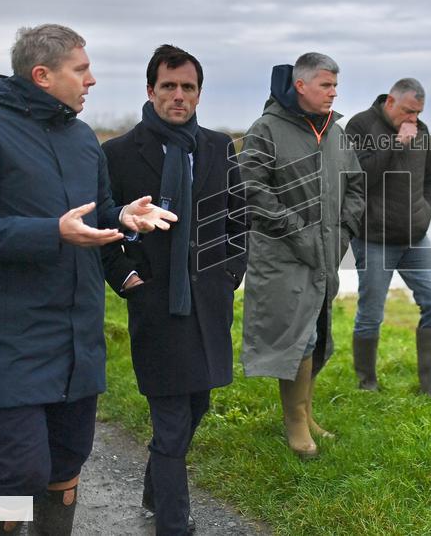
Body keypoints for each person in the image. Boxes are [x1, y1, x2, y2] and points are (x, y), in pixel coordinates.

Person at [0, 24, 176, 536]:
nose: (92, 80)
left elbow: (96, 212)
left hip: (77, 330)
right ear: (42, 75)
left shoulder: (81, 137)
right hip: (9, 330)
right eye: (81, 69)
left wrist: (123, 217)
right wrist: (51, 233)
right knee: (22, 469)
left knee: (66, 463)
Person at [101, 45, 247, 535]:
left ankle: (152, 485)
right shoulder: (119, 153)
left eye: (188, 87)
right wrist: (125, 279)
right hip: (154, 303)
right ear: (150, 90)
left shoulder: (219, 146)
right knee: (169, 418)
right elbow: (103, 226)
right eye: (169, 86)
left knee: (197, 406)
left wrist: (230, 275)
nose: (178, 96)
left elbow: (237, 218)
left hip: (208, 304)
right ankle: (172, 523)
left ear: (199, 93)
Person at [239, 52, 364, 457]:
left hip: (326, 254)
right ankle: (295, 424)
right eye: (326, 85)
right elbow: (251, 189)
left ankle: (304, 411)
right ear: (301, 85)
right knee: (298, 338)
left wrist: (345, 231)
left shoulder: (336, 132)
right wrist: (295, 231)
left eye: (335, 86)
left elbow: (356, 186)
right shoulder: (266, 129)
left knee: (319, 333)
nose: (333, 92)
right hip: (283, 258)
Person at [345, 78, 431, 405]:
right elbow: (357, 178)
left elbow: (429, 181)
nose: (413, 119)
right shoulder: (360, 125)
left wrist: (425, 212)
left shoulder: (421, 131)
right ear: (391, 102)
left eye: (418, 113)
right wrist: (396, 144)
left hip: (415, 237)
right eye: (408, 111)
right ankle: (367, 384)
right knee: (371, 312)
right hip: (375, 237)